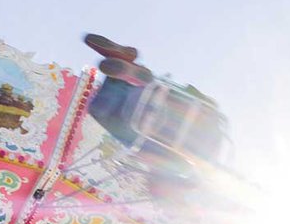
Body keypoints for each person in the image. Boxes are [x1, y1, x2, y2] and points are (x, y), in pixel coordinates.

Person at [83, 33, 226, 186]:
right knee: (99, 109)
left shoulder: (214, 120)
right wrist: (134, 157)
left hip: (153, 98)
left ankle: (129, 64)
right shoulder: (186, 167)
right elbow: (153, 159)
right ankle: (125, 72)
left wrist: (165, 85)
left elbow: (190, 92)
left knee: (131, 89)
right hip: (138, 128)